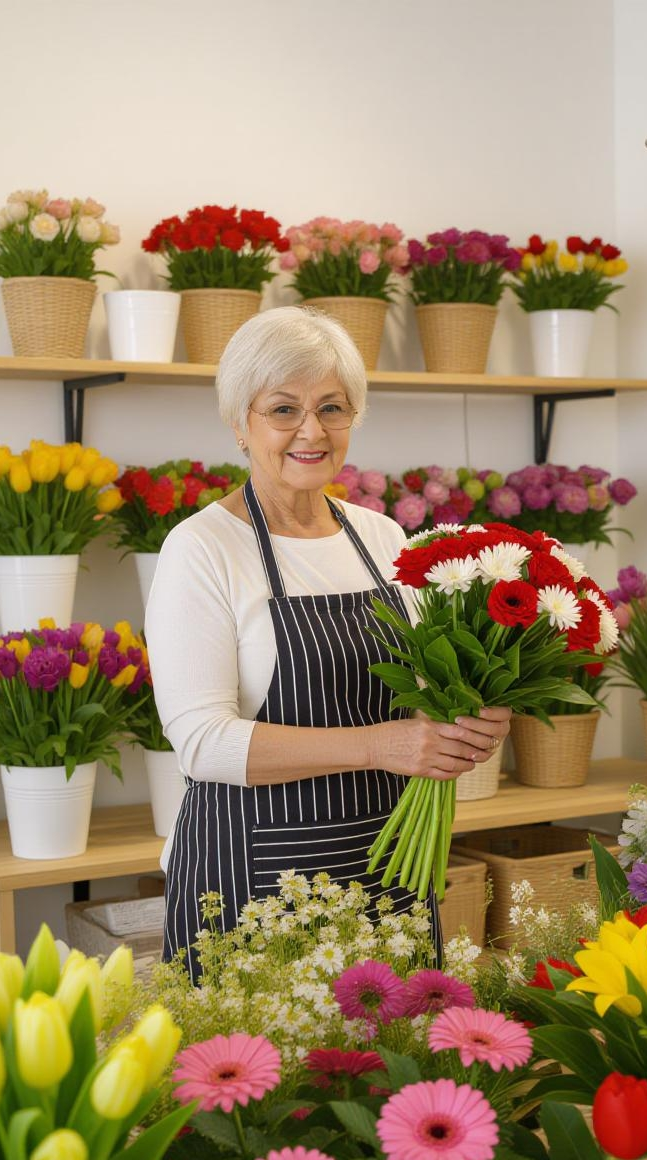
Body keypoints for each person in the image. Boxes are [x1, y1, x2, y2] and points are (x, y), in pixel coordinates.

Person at [146, 306, 511, 975]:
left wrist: (471, 717)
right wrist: (381, 745)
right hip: (251, 872)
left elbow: (423, 695)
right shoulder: (202, 548)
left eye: (332, 408)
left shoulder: (382, 539)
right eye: (283, 409)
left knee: (396, 1071)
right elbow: (201, 742)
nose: (311, 431)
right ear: (240, 424)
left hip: (388, 860)